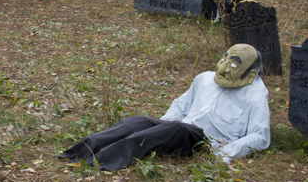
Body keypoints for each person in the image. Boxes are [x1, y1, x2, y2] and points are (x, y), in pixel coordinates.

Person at [58, 44, 270, 170]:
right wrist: (161, 124)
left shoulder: (255, 96)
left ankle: (101, 162)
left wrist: (225, 153)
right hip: (179, 127)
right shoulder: (205, 79)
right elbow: (181, 105)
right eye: (224, 58)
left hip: (205, 140)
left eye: (233, 65)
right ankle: (78, 151)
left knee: (171, 130)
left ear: (250, 74)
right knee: (135, 122)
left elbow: (260, 136)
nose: (222, 67)